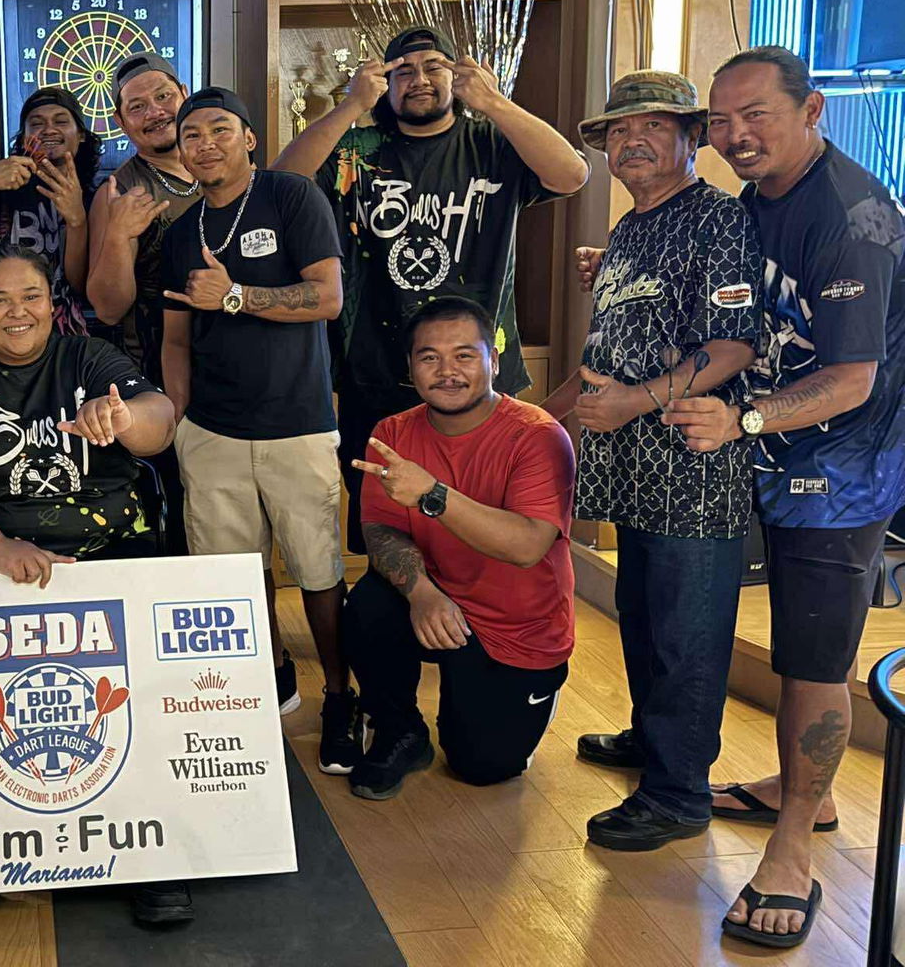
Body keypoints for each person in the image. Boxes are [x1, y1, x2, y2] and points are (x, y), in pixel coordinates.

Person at [661, 47, 905, 949]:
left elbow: (849, 378)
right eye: (720, 121)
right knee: (799, 640)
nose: (734, 136)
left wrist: (743, 421)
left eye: (756, 115)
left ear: (814, 112)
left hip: (846, 464)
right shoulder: (757, 201)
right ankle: (807, 789)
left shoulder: (850, 219)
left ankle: (793, 847)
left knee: (811, 655)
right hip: (773, 439)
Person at [0, 244, 186, 943]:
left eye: (31, 296)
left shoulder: (89, 359)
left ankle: (151, 858)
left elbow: (159, 415)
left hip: (113, 558)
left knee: (135, 710)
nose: (17, 311)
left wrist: (126, 423)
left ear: (52, 303)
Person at [541, 73, 762, 850]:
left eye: (652, 128)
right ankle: (653, 741)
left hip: (692, 471)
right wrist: (548, 414)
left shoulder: (719, 220)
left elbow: (734, 344)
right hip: (633, 471)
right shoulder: (632, 227)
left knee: (686, 635)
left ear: (691, 138)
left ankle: (677, 793)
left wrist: (636, 402)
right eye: (618, 132)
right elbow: (618, 344)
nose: (631, 143)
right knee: (641, 617)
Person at [271, 25, 587, 559]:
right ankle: (399, 610)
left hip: (480, 368)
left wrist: (493, 102)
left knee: (484, 505)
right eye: (403, 71)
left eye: (433, 67)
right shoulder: (357, 150)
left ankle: (478, 626)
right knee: (387, 514)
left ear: (455, 77)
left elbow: (572, 174)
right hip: (375, 367)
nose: (419, 80)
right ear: (383, 84)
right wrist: (351, 106)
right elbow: (281, 187)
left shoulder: (491, 143)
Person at [159, 86, 360, 774]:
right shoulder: (180, 231)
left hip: (295, 425)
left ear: (248, 138)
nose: (204, 144)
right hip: (211, 430)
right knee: (233, 584)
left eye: (220, 129)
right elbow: (175, 338)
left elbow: (327, 299)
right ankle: (262, 688)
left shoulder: (290, 197)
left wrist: (239, 296)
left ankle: (339, 695)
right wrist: (180, 417)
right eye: (191, 135)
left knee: (317, 572)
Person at [343, 298, 575, 800]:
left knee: (483, 765)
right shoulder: (392, 433)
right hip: (438, 601)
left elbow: (527, 546)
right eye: (429, 358)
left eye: (464, 356)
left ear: (494, 359)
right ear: (410, 367)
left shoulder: (538, 437)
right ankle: (399, 729)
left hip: (516, 627)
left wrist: (432, 494)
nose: (447, 371)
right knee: (367, 605)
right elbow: (380, 531)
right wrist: (421, 592)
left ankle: (527, 697)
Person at [86, 52, 197, 552]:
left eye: (163, 97)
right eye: (137, 106)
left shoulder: (227, 166)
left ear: (184, 96)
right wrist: (118, 235)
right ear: (120, 121)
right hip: (155, 365)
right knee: (176, 503)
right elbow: (107, 306)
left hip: (237, 362)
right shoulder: (118, 189)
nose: (154, 111)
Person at [0, 87, 94, 336]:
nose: (48, 129)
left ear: (81, 135)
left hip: (61, 327)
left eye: (61, 121)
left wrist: (77, 220)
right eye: (36, 123)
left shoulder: (93, 193)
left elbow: (78, 284)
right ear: (24, 138)